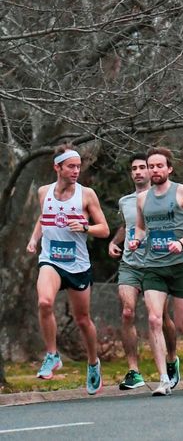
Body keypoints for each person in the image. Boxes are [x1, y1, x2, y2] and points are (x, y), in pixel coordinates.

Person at [129, 147, 183, 396]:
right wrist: (136, 240)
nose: (154, 170)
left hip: (180, 264)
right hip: (153, 265)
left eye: (159, 166)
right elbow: (141, 229)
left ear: (169, 169)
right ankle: (164, 380)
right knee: (154, 319)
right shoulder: (143, 198)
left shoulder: (182, 191)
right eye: (150, 166)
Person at [26, 145, 110, 394]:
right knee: (44, 302)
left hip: (77, 264)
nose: (76, 171)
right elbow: (44, 217)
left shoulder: (86, 195)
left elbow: (104, 229)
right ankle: (52, 355)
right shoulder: (44, 192)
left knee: (83, 319)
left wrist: (85, 228)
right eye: (71, 166)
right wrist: (34, 238)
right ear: (57, 168)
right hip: (51, 259)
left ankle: (93, 362)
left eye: (78, 167)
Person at [108, 153, 178, 391]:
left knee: (160, 317)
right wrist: (114, 242)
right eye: (134, 168)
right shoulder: (125, 201)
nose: (138, 172)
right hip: (130, 263)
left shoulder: (164, 198)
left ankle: (171, 359)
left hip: (155, 263)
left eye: (142, 168)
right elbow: (127, 225)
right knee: (127, 312)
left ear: (150, 171)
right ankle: (134, 371)